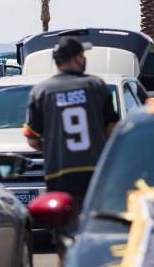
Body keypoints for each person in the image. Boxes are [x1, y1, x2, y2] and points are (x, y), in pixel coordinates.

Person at [23, 37, 118, 235]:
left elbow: (32, 139)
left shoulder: (41, 92)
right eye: (82, 56)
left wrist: (53, 146)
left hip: (59, 176)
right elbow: (113, 131)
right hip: (95, 173)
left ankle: (63, 259)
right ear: (75, 59)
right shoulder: (96, 86)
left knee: (64, 235)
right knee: (95, 233)